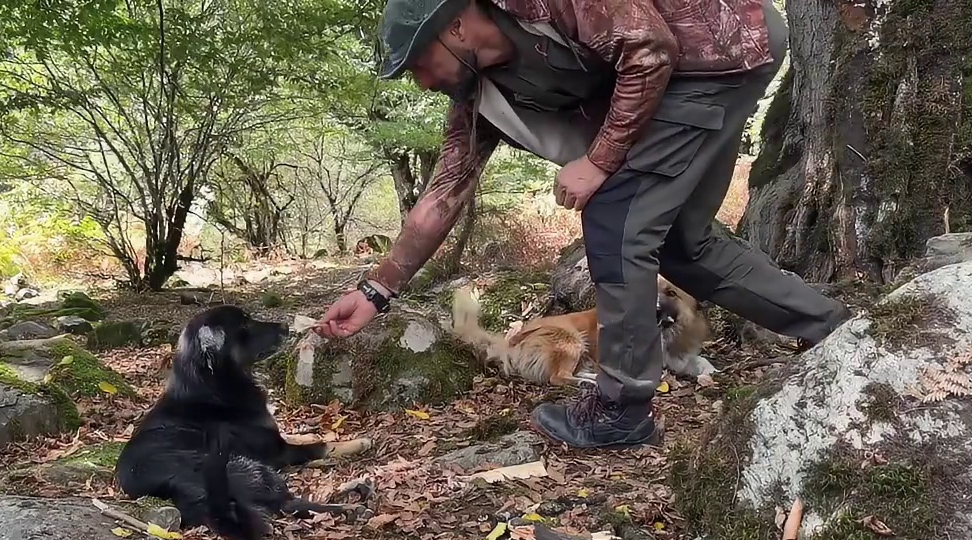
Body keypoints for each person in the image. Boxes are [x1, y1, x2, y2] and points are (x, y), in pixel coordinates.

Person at [316, 0, 850, 450]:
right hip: (681, 80)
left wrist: (598, 161)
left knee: (616, 218)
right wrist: (376, 289)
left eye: (419, 63)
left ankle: (621, 409)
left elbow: (649, 48)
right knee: (681, 242)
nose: (421, 81)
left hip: (720, 51)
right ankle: (826, 326)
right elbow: (442, 194)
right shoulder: (479, 96)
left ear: (455, 25)